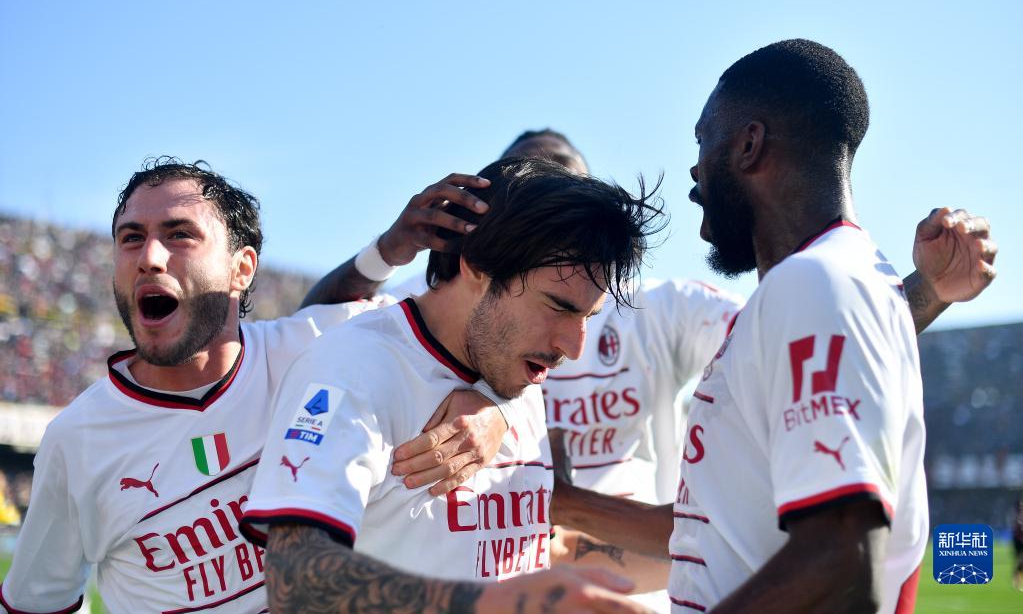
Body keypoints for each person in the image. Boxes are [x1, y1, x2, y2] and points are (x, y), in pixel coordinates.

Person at [552, 39, 999, 614]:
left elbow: (840, 560)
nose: (694, 169)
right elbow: (710, 529)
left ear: (748, 145)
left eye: (702, 141)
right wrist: (564, 502)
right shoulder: (824, 283)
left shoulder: (816, 283)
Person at [0, 159, 514, 614]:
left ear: (241, 268)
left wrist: (495, 409)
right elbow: (36, 605)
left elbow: (492, 335)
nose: (149, 257)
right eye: (131, 237)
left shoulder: (321, 350)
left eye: (179, 235)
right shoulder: (76, 440)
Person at [239, 157, 666, 612]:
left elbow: (532, 548)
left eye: (588, 317)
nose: (573, 347)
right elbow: (294, 581)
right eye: (558, 307)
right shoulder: (351, 368)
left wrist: (709, 557)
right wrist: (490, 604)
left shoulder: (515, 373)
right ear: (477, 266)